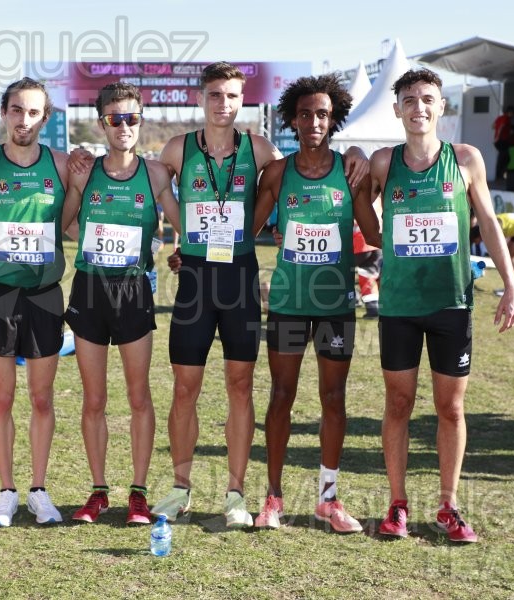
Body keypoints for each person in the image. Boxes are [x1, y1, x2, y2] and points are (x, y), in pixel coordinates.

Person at [148, 62, 368, 528]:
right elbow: (146, 181)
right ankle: (179, 488)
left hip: (241, 282)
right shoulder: (175, 149)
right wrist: (173, 241)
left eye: (231, 95)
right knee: (185, 389)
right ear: (201, 97)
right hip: (195, 283)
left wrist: (355, 153)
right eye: (214, 95)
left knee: (241, 387)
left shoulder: (262, 151)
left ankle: (235, 493)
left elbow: (309, 164)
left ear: (242, 100)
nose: (222, 103)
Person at [360, 68, 514, 543]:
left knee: (450, 409)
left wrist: (511, 285)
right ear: (396, 110)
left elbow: (489, 223)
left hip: (451, 304)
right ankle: (397, 504)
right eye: (409, 100)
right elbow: (360, 207)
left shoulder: (466, 159)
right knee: (398, 403)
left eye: (427, 99)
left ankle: (449, 506)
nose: (419, 108)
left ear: (442, 106)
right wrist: (376, 233)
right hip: (399, 306)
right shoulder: (384, 162)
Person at [251, 74, 377, 531]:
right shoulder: (279, 174)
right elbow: (248, 229)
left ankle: (328, 498)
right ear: (292, 119)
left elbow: (375, 234)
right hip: (287, 302)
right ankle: (273, 498)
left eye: (322, 114)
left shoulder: (351, 171)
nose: (314, 122)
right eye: (305, 114)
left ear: (334, 118)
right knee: (281, 395)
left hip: (335, 307)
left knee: (333, 398)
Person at [61, 82, 181, 525]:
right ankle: (97, 491)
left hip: (133, 294)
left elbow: (186, 223)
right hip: (89, 292)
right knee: (93, 399)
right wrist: (93, 244)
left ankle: (138, 492)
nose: (124, 126)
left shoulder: (154, 175)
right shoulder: (83, 171)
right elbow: (65, 221)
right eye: (115, 118)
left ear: (141, 120)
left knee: (138, 396)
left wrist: (183, 248)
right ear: (102, 123)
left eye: (132, 117)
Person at [0, 77, 69, 528]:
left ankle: (39, 490)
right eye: (17, 110)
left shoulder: (61, 165)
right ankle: (6, 492)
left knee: (42, 399)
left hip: (43, 295)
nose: (25, 120)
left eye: (34, 112)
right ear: (4, 112)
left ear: (46, 117)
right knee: (1, 398)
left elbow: (72, 219)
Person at [470, 212, 514, 279]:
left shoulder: (494, 228)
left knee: (512, 258)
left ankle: (513, 287)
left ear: (478, 236)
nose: (477, 243)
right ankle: (510, 284)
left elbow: (498, 249)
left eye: (475, 241)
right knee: (508, 257)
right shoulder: (490, 225)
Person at [492, 105, 514, 182]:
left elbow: (493, 126)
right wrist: (498, 137)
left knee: (504, 158)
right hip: (502, 141)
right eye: (512, 113)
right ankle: (500, 176)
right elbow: (501, 127)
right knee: (504, 158)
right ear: (510, 112)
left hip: (500, 141)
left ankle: (500, 175)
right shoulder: (506, 118)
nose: (513, 115)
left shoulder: (499, 118)